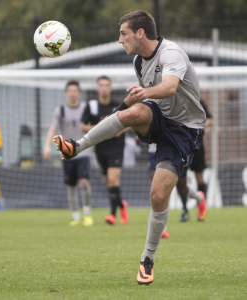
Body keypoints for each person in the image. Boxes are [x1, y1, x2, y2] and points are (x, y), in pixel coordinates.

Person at [53, 11, 208, 285]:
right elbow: (139, 100)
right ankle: (75, 147)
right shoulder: (139, 61)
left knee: (159, 196)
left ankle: (147, 259)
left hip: (185, 130)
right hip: (159, 117)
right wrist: (120, 112)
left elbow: (170, 87)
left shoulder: (171, 53)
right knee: (132, 114)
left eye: (123, 33)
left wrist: (142, 94)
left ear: (139, 33)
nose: (119, 39)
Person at [44, 80, 93, 227]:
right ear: (66, 93)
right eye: (70, 90)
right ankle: (76, 216)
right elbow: (53, 129)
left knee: (84, 182)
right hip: (67, 154)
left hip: (83, 151)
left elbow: (95, 126)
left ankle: (87, 213)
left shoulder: (85, 108)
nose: (72, 93)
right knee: (71, 186)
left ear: (79, 93)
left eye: (75, 90)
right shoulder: (60, 110)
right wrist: (47, 146)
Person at [81, 76, 128, 225]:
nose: (104, 88)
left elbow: (131, 122)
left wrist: (121, 129)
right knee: (109, 184)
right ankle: (121, 205)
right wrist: (99, 128)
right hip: (100, 148)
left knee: (113, 179)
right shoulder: (92, 106)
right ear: (97, 89)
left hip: (116, 147)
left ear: (110, 88)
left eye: (106, 85)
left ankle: (112, 215)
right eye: (101, 85)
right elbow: (83, 126)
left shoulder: (118, 105)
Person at [179, 99, 213, 222]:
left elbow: (210, 120)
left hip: (197, 145)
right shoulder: (176, 100)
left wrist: (198, 126)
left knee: (200, 177)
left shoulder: (199, 102)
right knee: (181, 178)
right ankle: (184, 210)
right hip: (181, 145)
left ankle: (202, 207)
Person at [148, 143, 170, 238]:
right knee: (157, 190)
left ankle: (198, 198)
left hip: (170, 150)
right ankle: (162, 228)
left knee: (182, 187)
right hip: (153, 150)